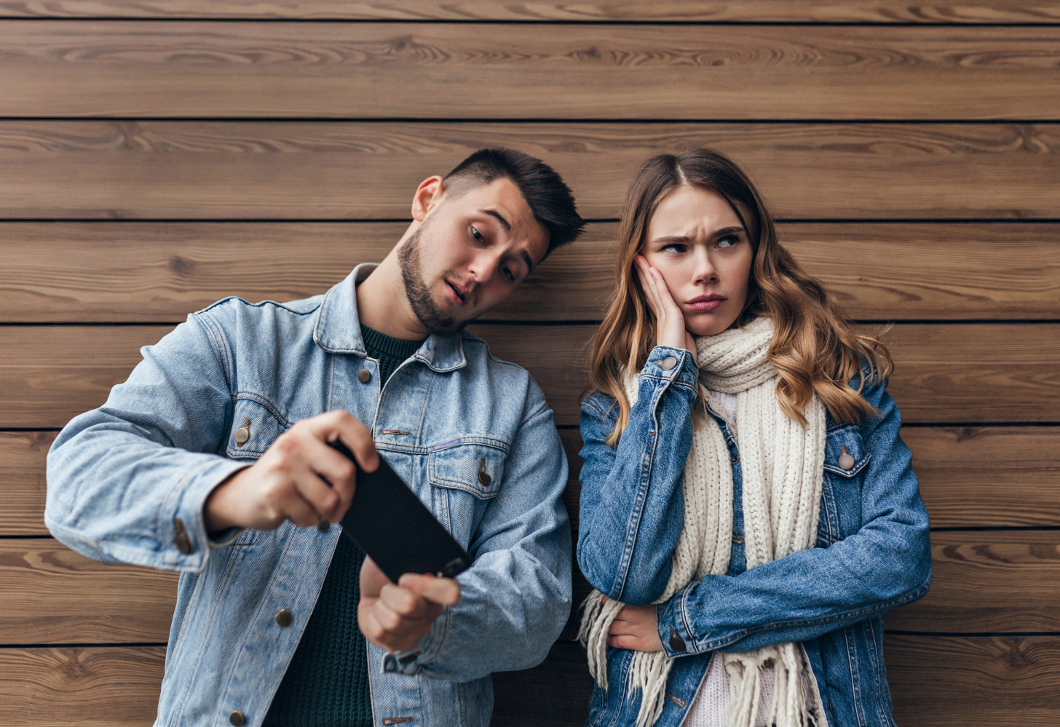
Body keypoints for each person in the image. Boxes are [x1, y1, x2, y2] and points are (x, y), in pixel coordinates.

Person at [46, 148, 584, 727]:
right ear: (429, 199)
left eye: (511, 270)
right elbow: (79, 476)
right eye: (478, 233)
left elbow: (537, 601)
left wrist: (437, 623)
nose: (482, 271)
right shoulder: (240, 341)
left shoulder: (512, 404)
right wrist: (234, 492)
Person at [575, 149, 931, 727]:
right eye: (676, 248)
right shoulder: (616, 412)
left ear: (755, 251)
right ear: (642, 267)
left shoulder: (840, 387)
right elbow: (627, 574)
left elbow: (900, 555)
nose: (705, 270)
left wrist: (686, 620)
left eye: (726, 241)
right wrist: (668, 376)